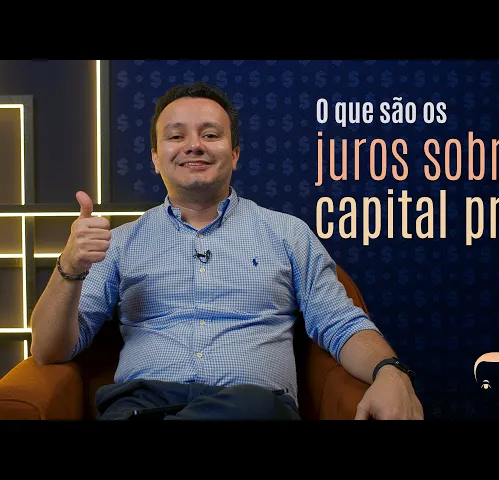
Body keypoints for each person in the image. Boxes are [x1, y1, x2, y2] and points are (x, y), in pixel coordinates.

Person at [29, 81, 424, 420]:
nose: (194, 146)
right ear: (155, 158)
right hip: (141, 405)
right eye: (176, 136)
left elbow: (340, 323)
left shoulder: (287, 233)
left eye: (210, 134)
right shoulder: (119, 243)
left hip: (251, 408)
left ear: (234, 154)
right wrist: (69, 267)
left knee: (256, 406)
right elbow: (48, 351)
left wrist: (390, 371)